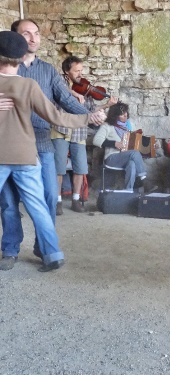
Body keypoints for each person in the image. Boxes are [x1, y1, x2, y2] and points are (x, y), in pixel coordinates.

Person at [0, 19, 105, 267]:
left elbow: (66, 101)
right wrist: (86, 118)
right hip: (27, 153)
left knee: (47, 199)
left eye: (36, 33)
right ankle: (24, 251)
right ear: (17, 42)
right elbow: (56, 115)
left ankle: (42, 248)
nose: (34, 38)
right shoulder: (28, 84)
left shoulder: (46, 71)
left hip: (38, 146)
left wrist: (88, 116)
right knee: (21, 205)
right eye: (27, 34)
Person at [52, 56, 118, 215]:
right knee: (59, 168)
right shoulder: (58, 81)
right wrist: (74, 93)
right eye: (77, 71)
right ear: (67, 71)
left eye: (81, 70)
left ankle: (76, 199)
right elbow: (59, 87)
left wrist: (106, 105)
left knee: (80, 167)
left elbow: (89, 111)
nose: (80, 74)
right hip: (61, 129)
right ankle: (58, 201)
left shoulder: (84, 89)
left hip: (79, 130)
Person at [93, 102, 155, 192]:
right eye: (122, 113)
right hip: (111, 158)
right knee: (134, 153)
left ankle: (128, 192)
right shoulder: (107, 126)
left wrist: (151, 146)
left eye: (126, 112)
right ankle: (143, 179)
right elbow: (96, 141)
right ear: (115, 115)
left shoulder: (128, 126)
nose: (125, 115)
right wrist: (114, 143)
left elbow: (137, 142)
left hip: (126, 157)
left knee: (132, 164)